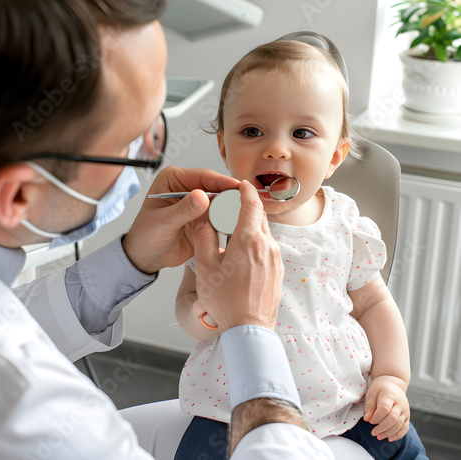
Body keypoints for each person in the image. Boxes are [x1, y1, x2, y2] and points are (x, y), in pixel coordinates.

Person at [0, 0, 337, 459]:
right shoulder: (35, 410)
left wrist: (132, 258)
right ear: (18, 197)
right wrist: (249, 329)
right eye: (136, 141)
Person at [175, 39, 429, 459]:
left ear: (334, 156)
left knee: (404, 449)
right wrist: (201, 316)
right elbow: (187, 298)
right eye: (252, 131)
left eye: (302, 133)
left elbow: (372, 304)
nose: (276, 148)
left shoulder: (344, 222)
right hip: (234, 401)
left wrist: (391, 379)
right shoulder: (216, 224)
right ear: (224, 147)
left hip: (345, 395)